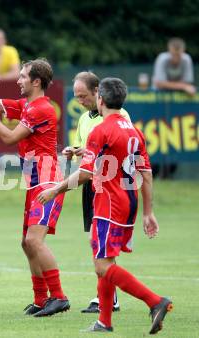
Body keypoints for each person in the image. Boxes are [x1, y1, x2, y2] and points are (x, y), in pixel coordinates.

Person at [37, 77, 172, 334]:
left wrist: (55, 189)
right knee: (104, 259)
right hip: (128, 201)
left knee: (102, 266)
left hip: (109, 202)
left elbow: (86, 173)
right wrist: (148, 212)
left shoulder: (101, 130)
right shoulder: (134, 130)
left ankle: (155, 301)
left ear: (100, 99)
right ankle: (104, 321)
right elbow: (147, 173)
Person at [0, 58, 69, 317]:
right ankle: (41, 299)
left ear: (36, 82)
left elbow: (7, 136)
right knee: (26, 244)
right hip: (34, 184)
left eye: (23, 76)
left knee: (33, 241)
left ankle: (59, 297)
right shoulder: (28, 106)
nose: (18, 80)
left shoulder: (40, 109)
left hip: (48, 182)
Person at [63, 71, 131, 314]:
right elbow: (86, 147)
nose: (80, 100)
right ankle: (107, 298)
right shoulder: (83, 119)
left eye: (83, 95)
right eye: (76, 96)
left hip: (110, 184)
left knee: (102, 241)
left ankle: (110, 299)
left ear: (97, 93)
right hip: (91, 184)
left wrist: (58, 189)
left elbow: (120, 149)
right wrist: (74, 150)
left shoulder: (119, 116)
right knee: (97, 240)